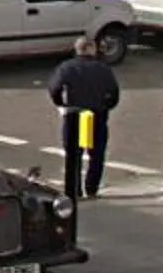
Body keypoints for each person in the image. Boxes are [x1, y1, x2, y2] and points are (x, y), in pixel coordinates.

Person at [47, 35, 121, 199]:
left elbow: (54, 88)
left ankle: (73, 191)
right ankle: (92, 189)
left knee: (73, 155)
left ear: (77, 49)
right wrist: (105, 107)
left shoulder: (66, 67)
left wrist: (61, 104)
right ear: (92, 50)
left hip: (74, 115)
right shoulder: (103, 69)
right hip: (96, 115)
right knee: (97, 154)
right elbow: (114, 94)